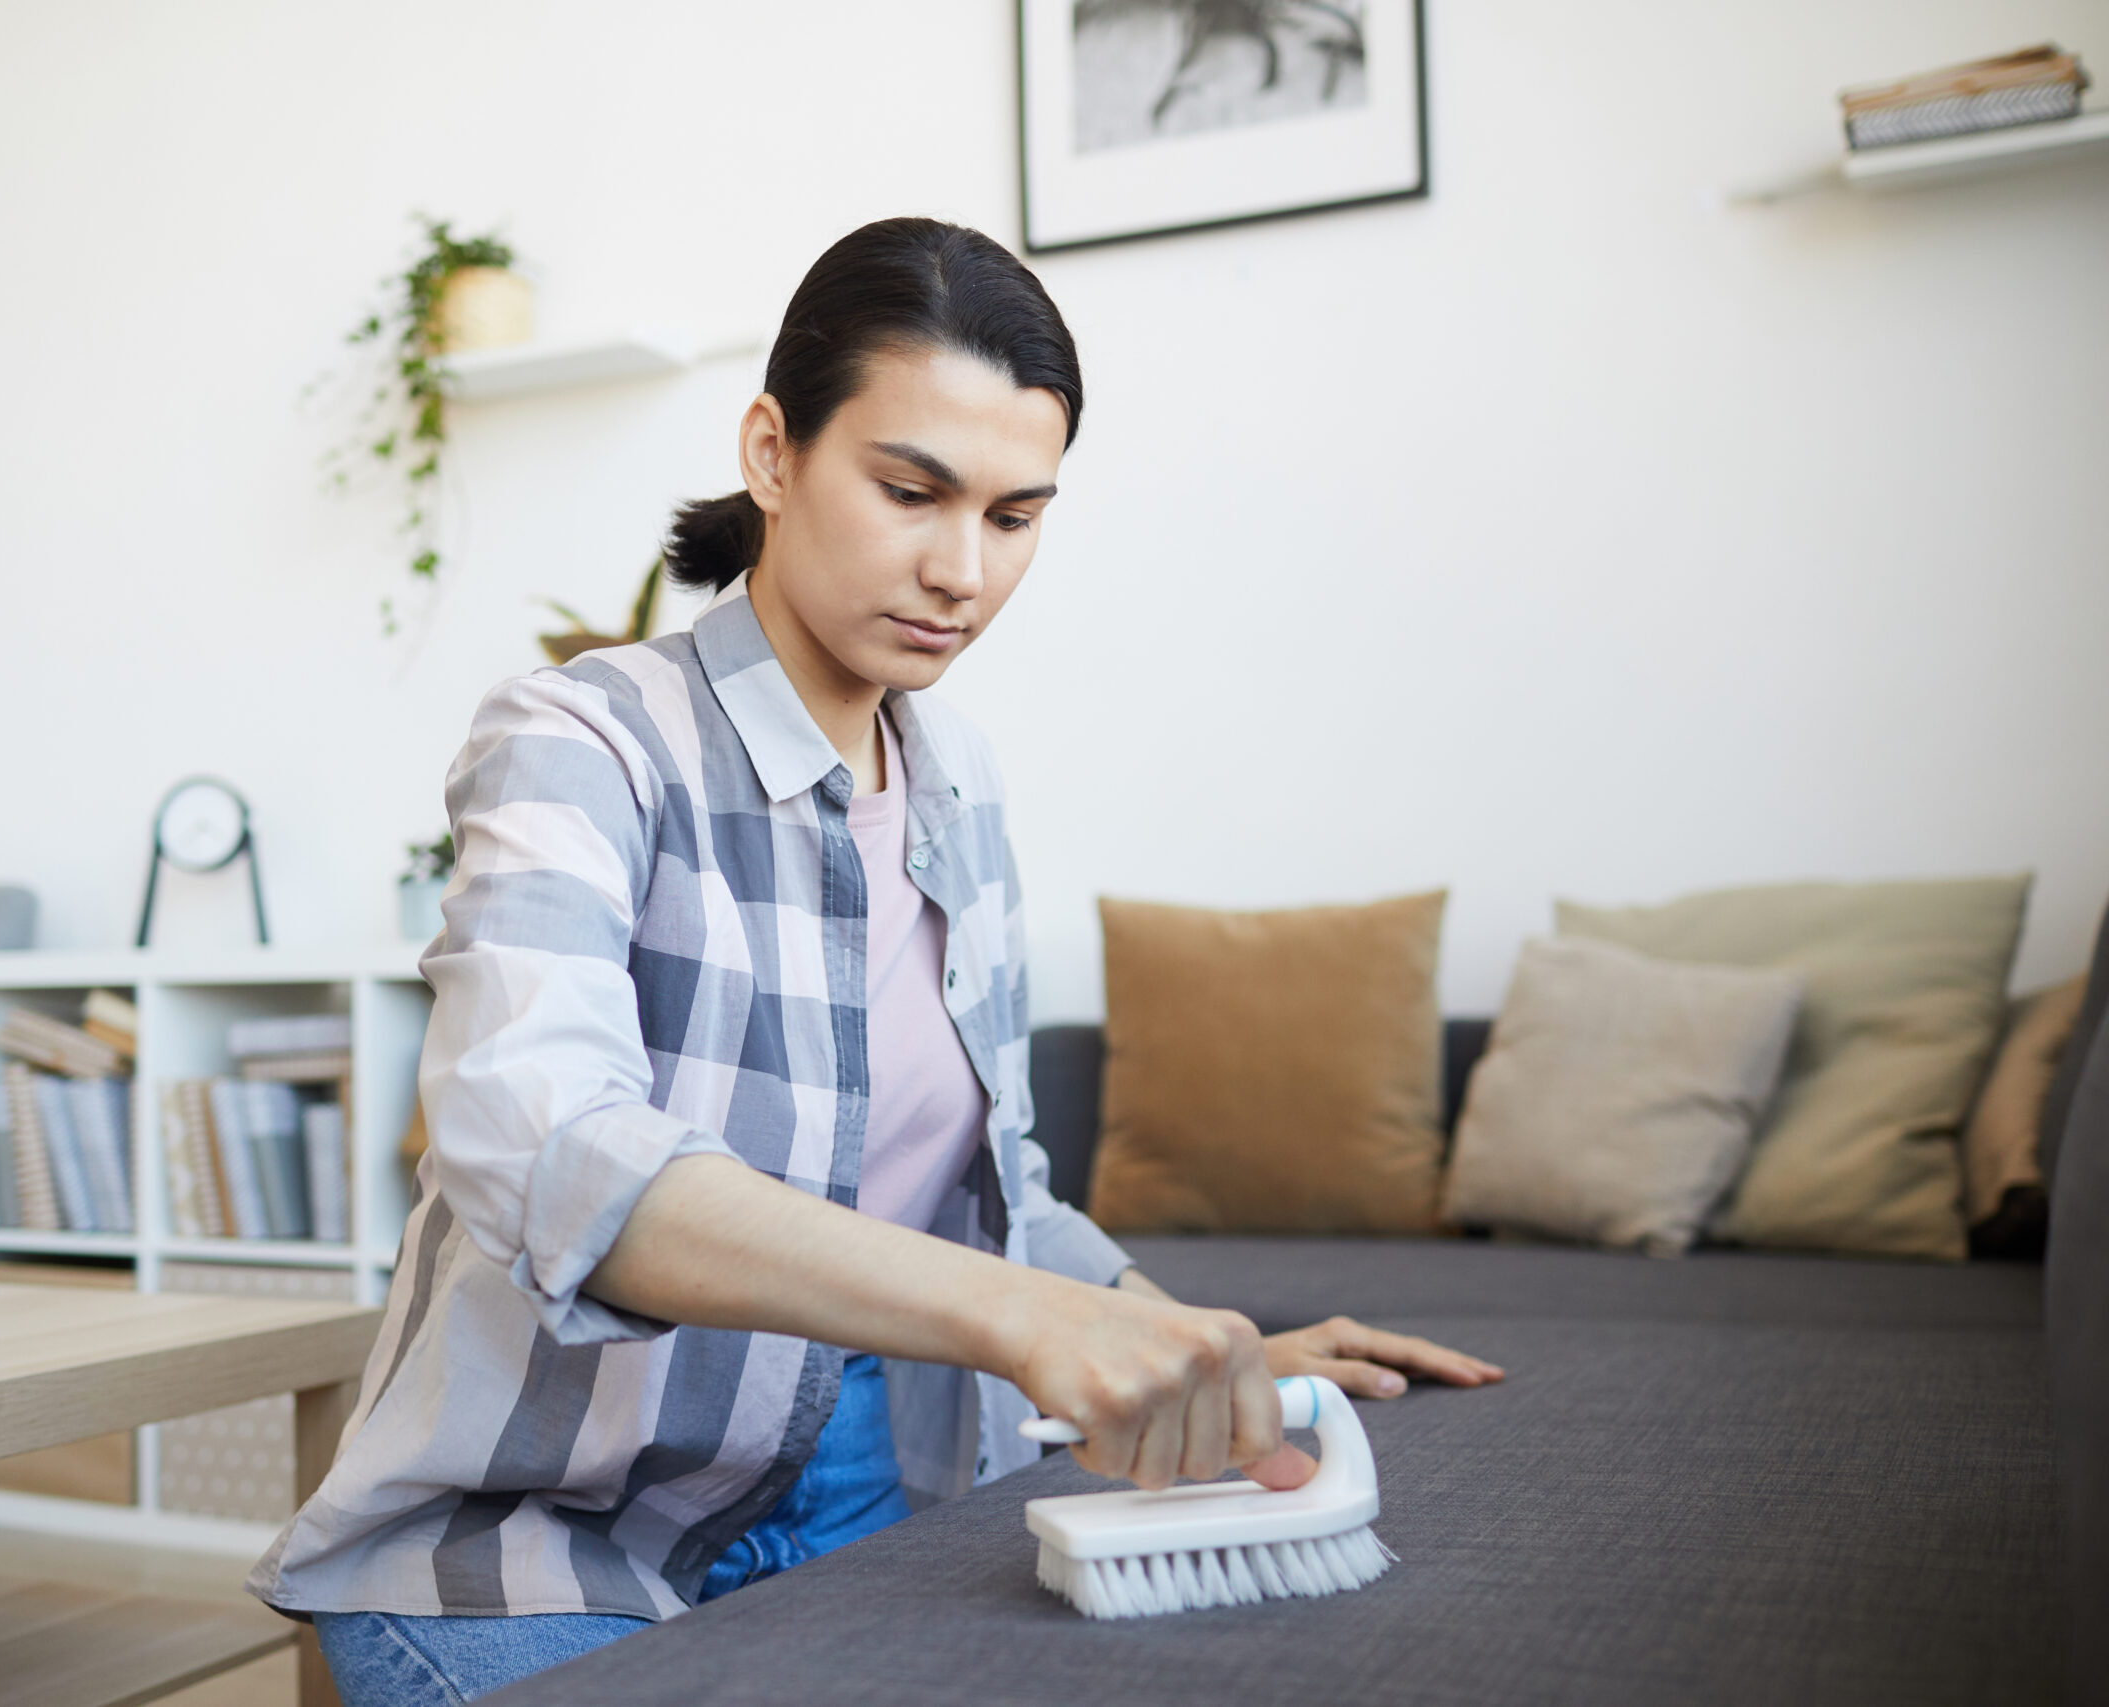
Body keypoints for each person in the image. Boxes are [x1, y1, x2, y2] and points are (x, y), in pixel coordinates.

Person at [249, 217, 1501, 1703]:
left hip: (871, 1504)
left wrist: (1177, 1342)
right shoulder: (583, 740)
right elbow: (546, 1147)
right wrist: (1029, 1322)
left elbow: (987, 1198)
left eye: (1016, 516)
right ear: (772, 453)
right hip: (540, 1539)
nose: (961, 569)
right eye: (910, 490)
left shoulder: (954, 780)